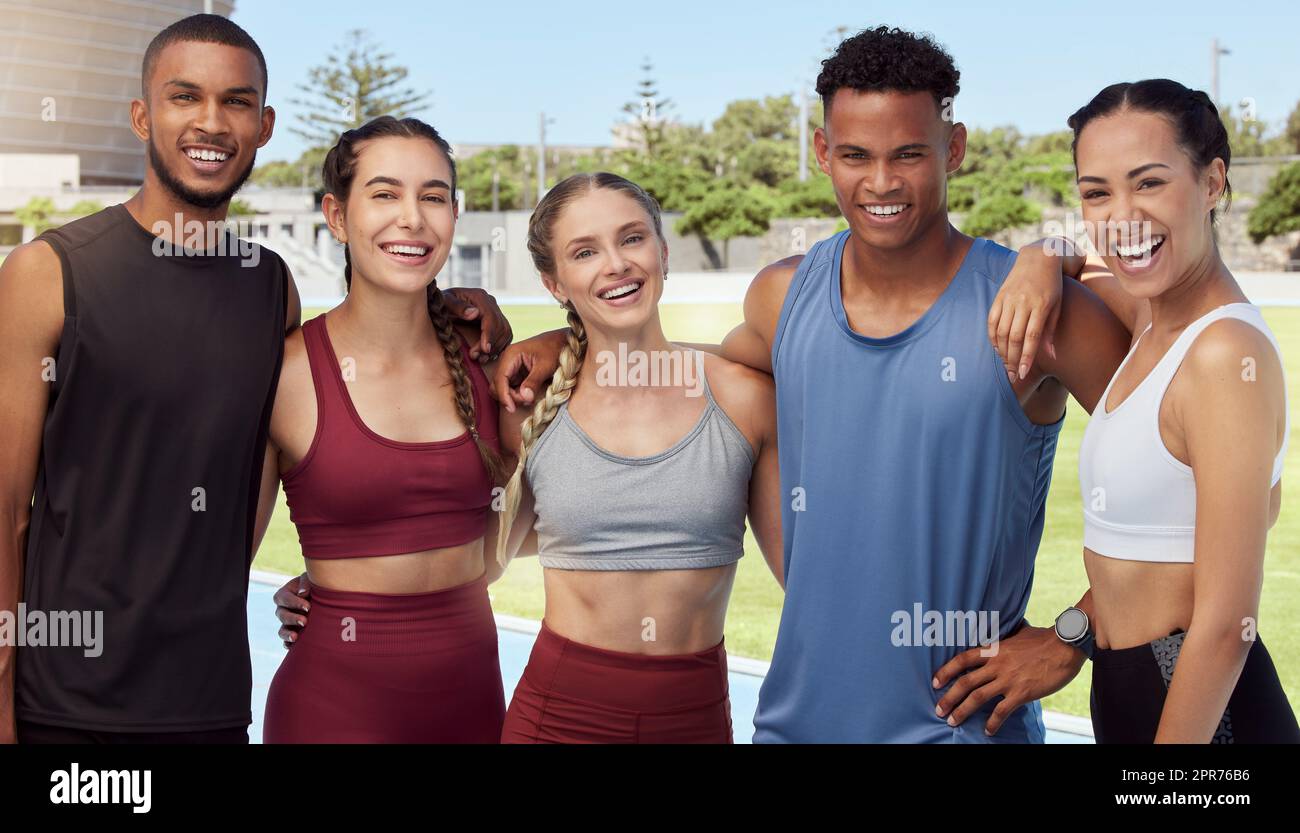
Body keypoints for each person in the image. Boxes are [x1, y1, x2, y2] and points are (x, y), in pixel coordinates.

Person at [493, 26, 1134, 742]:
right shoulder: (782, 298)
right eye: (856, 155)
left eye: (910, 154)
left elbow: (1178, 481)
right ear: (824, 153)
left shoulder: (1037, 312)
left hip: (958, 726)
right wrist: (573, 341)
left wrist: (1072, 636)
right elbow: (701, 361)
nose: (882, 182)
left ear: (953, 148)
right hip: (794, 725)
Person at [0, 15, 506, 744]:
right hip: (68, 706)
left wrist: (330, 584)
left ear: (264, 125)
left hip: (210, 703)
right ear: (142, 114)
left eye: (236, 102)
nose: (211, 121)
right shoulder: (47, 274)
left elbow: (281, 467)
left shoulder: (268, 289)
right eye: (184, 97)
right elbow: (7, 508)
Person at [492, 172, 781, 743]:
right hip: (553, 721)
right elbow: (481, 557)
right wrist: (328, 587)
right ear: (554, 283)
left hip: (694, 721)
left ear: (663, 252)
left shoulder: (746, 399)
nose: (616, 264)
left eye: (631, 239)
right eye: (584, 252)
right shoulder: (529, 407)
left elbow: (809, 578)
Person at [258, 116, 513, 743]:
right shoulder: (284, 372)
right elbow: (213, 555)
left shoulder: (488, 361)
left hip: (475, 707)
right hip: (332, 713)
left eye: (432, 197)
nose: (412, 218)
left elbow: (526, 525)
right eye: (384, 193)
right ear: (337, 216)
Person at [1066, 79, 1298, 743]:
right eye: (1096, 192)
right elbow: (1080, 268)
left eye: (1149, 183)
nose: (1122, 216)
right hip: (1129, 693)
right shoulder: (1154, 319)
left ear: (1212, 181)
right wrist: (1041, 257)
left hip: (1203, 716)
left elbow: (1226, 626)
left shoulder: (1224, 353)